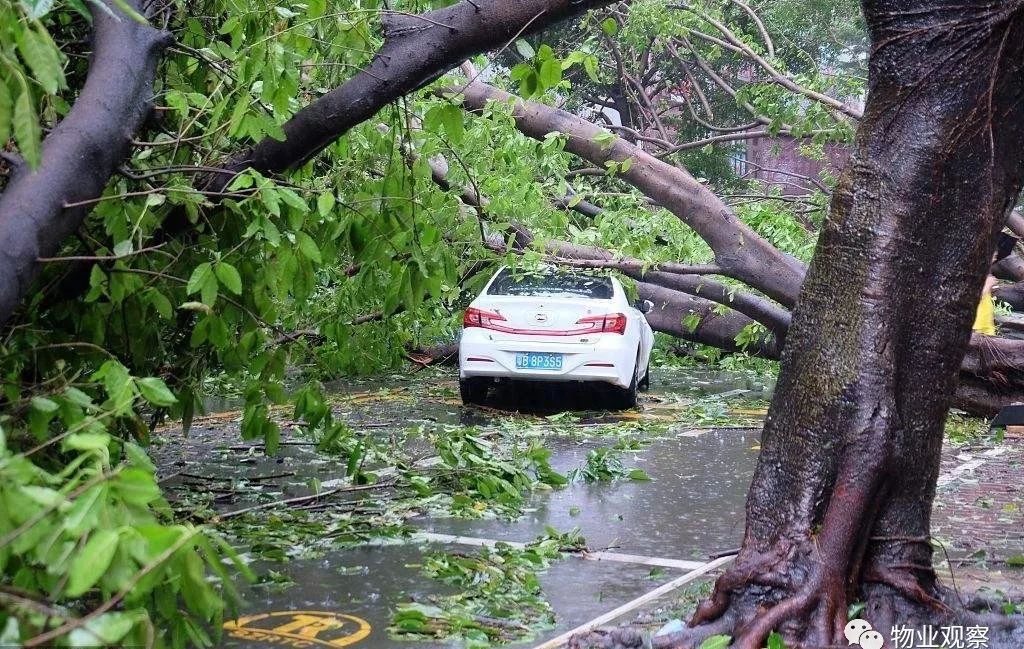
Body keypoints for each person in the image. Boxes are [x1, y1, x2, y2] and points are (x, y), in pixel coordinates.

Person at [973, 232, 1018, 336]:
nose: (995, 257)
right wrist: (987, 286)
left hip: (985, 329)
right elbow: (971, 298)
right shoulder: (974, 273)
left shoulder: (985, 273)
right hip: (976, 329)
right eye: (994, 253)